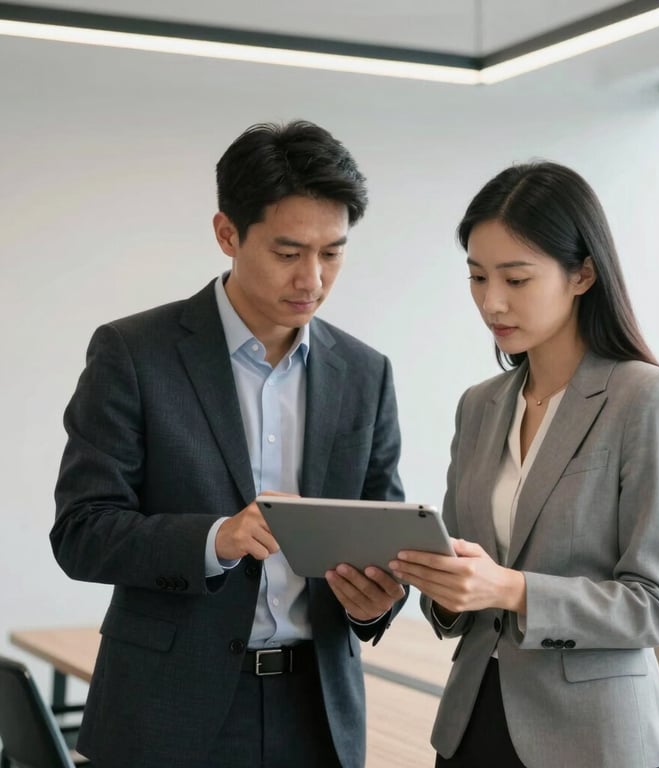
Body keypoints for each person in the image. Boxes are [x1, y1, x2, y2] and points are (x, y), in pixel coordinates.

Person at [51, 120, 408, 768]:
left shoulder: (366, 373)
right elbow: (81, 531)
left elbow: (384, 528)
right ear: (226, 234)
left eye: (332, 252)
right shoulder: (134, 355)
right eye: (288, 251)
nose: (313, 278)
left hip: (319, 715)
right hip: (167, 713)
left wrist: (378, 600)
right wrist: (217, 539)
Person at [391, 161, 659, 768]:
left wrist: (509, 588)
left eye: (517, 278)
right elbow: (459, 592)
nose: (492, 301)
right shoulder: (480, 406)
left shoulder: (645, 398)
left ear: (583, 273)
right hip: (472, 722)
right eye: (478, 278)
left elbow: (654, 605)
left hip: (589, 739)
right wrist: (448, 591)